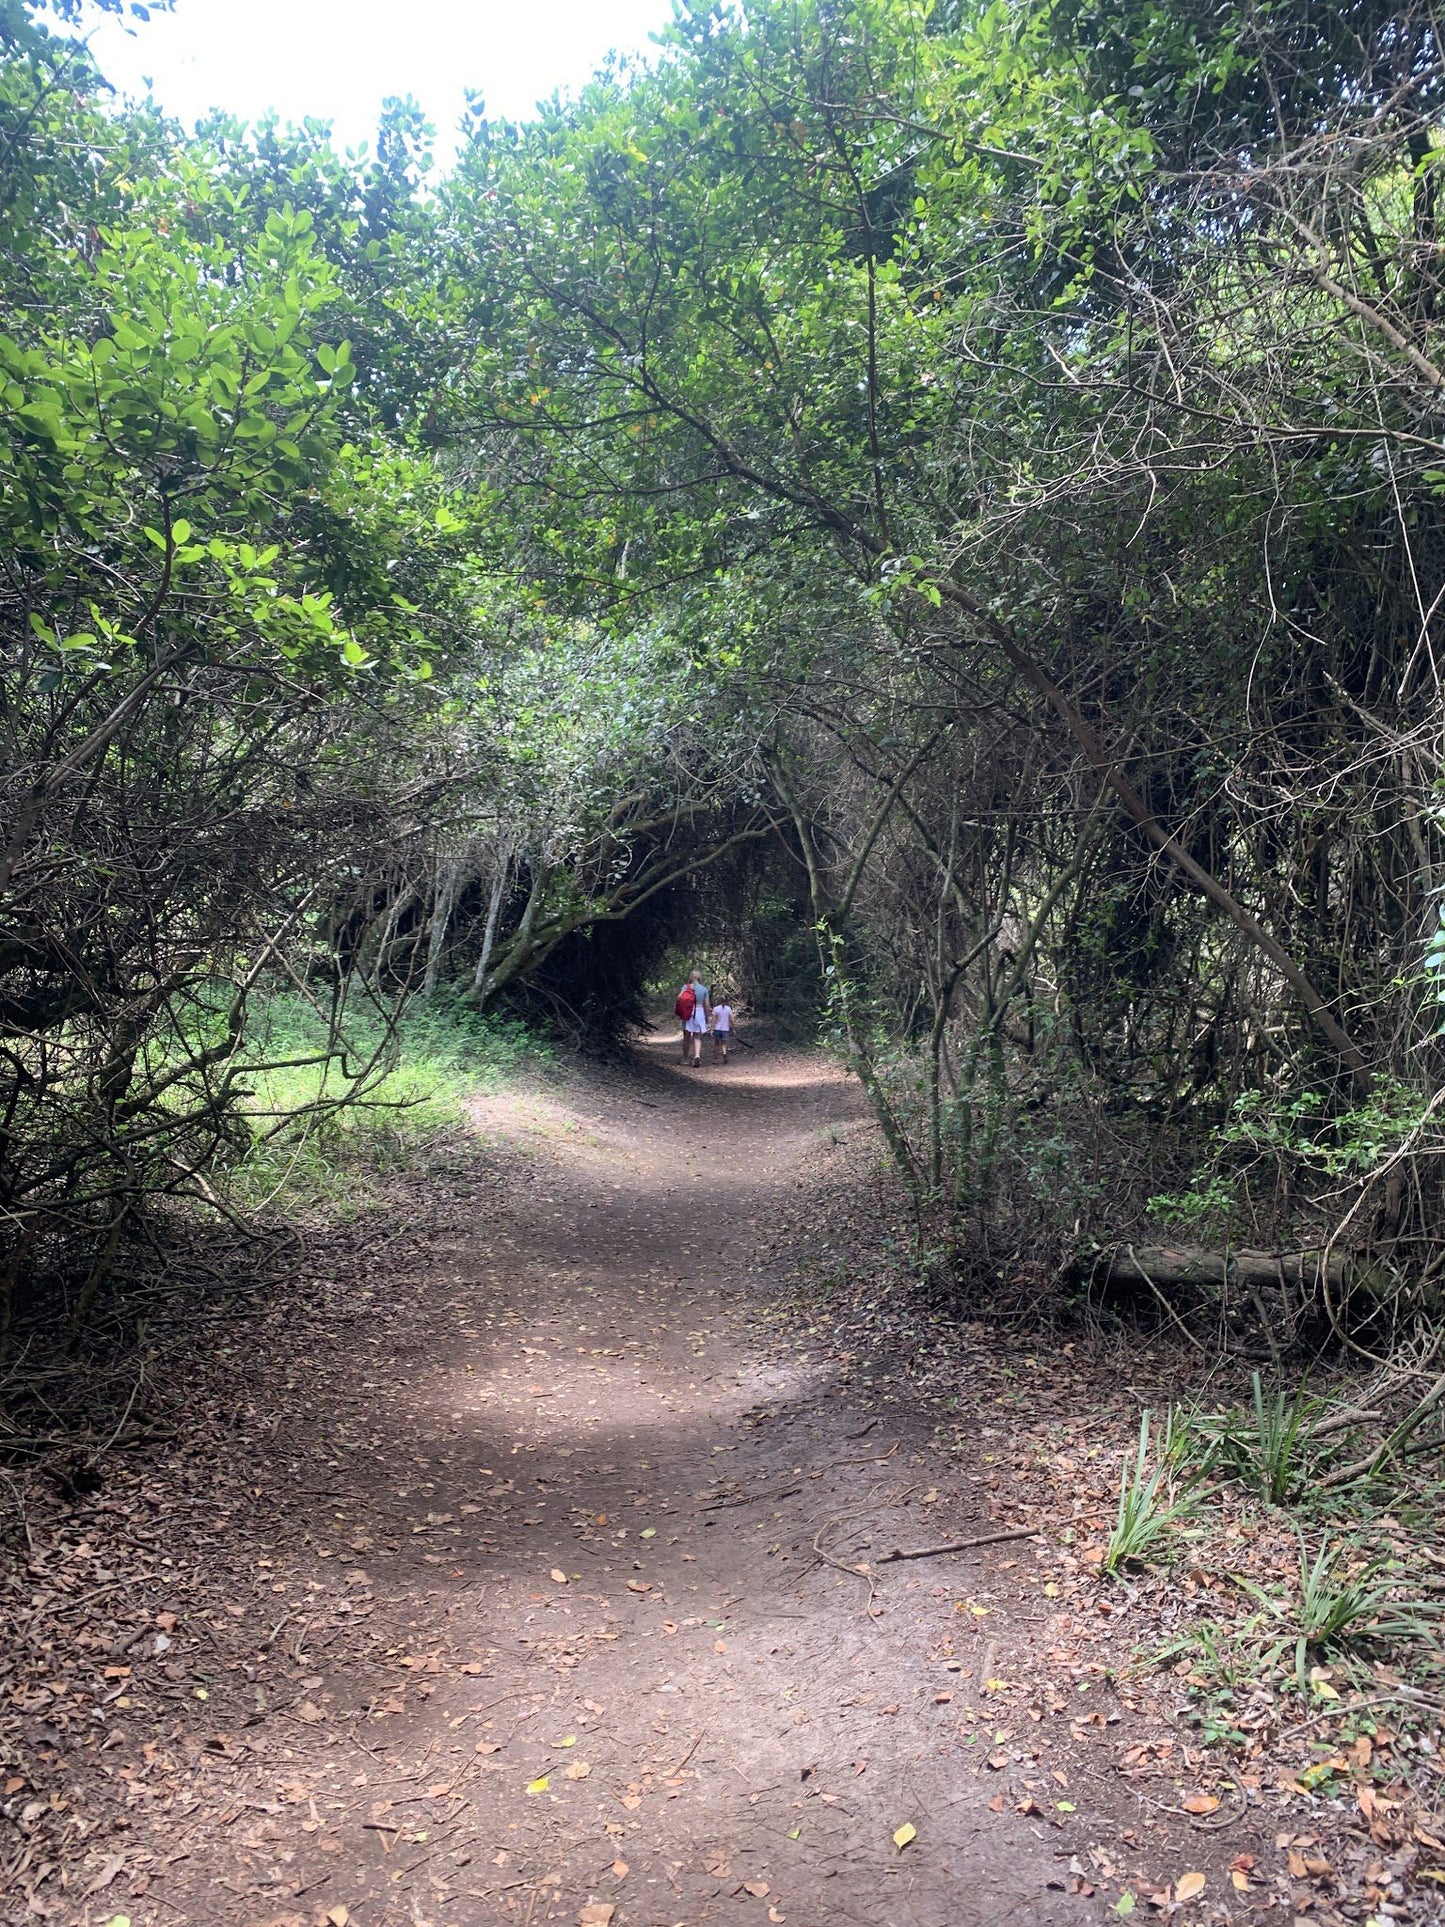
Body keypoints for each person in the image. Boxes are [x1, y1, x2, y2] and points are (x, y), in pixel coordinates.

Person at [683, 968, 711, 1065]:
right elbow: (706, 1005)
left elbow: (679, 998)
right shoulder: (704, 989)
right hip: (699, 1012)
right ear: (699, 978)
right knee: (697, 1037)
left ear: (691, 977)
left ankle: (685, 1059)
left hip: (688, 1012)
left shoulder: (686, 987)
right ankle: (697, 1055)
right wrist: (707, 1016)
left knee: (686, 1037)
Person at [710, 990, 735, 1064]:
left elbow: (713, 1020)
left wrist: (711, 1029)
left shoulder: (716, 1009)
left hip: (717, 1029)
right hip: (725, 1029)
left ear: (719, 1001)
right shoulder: (728, 1009)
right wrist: (733, 1029)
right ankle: (724, 1053)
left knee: (716, 1044)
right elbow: (732, 1019)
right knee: (724, 1043)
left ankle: (715, 1059)